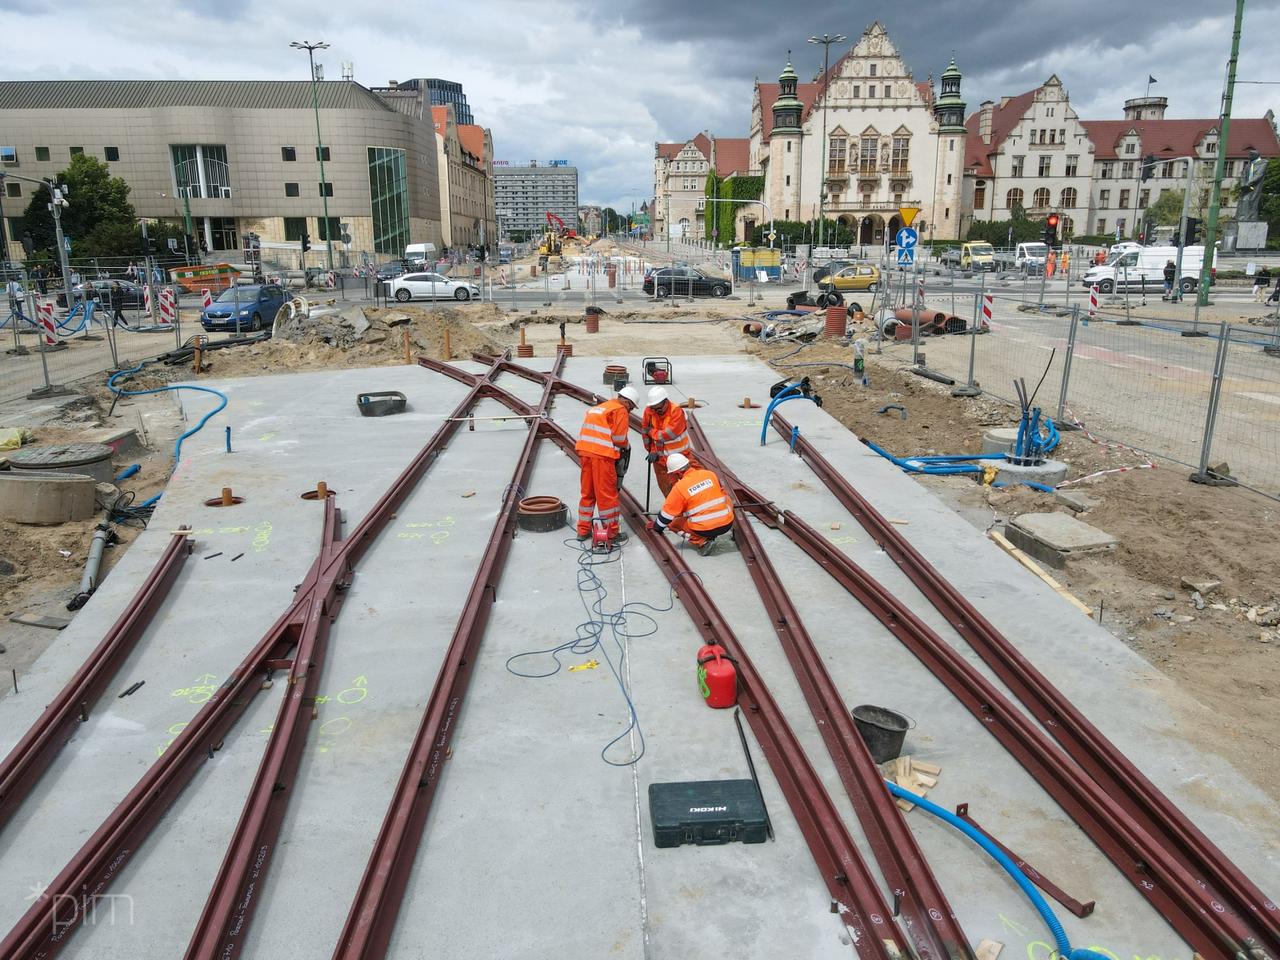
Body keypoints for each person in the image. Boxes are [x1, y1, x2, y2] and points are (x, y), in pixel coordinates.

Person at [575, 385, 639, 544]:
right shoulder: (620, 410)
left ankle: (583, 530)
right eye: (631, 406)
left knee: (587, 493)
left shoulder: (601, 407)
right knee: (607, 495)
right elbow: (618, 438)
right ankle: (611, 533)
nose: (630, 410)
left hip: (585, 452)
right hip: (602, 457)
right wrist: (625, 445)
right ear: (626, 401)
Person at [646, 453, 734, 556]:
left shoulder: (679, 488)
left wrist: (656, 527)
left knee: (672, 523)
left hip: (704, 530)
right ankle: (726, 522)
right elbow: (722, 494)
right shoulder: (709, 474)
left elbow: (666, 516)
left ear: (678, 473)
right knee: (726, 498)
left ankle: (702, 541)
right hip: (727, 524)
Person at [642, 386, 690, 496]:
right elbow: (645, 431)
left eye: (658, 409)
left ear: (665, 402)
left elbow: (669, 434)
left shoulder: (676, 411)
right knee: (666, 488)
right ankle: (672, 509)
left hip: (680, 458)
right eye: (653, 408)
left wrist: (651, 432)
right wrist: (652, 450)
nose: (656, 411)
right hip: (660, 459)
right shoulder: (649, 411)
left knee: (685, 486)